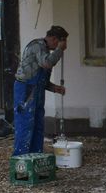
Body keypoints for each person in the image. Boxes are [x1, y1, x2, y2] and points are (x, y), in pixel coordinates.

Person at [13, 25, 68, 157]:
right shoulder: (38, 46)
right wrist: (59, 50)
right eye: (61, 42)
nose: (62, 46)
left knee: (38, 124)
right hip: (26, 89)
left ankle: (36, 155)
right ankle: (21, 157)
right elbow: (46, 63)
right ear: (54, 39)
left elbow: (42, 79)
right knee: (25, 123)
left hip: (36, 90)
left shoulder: (45, 51)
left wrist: (54, 88)